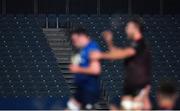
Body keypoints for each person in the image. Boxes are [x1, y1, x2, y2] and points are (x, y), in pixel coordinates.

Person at [91, 18, 152, 110]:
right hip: (129, 86)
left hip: (139, 85)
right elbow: (117, 53)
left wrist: (101, 55)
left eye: (128, 27)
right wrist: (109, 41)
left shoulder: (140, 43)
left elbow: (124, 53)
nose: (126, 29)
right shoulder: (132, 44)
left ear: (136, 28)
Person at [67, 28, 101, 110]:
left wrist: (77, 69)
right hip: (81, 89)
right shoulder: (83, 50)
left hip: (89, 89)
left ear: (82, 36)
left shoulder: (92, 48)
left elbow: (96, 70)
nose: (74, 43)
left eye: (75, 40)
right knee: (71, 107)